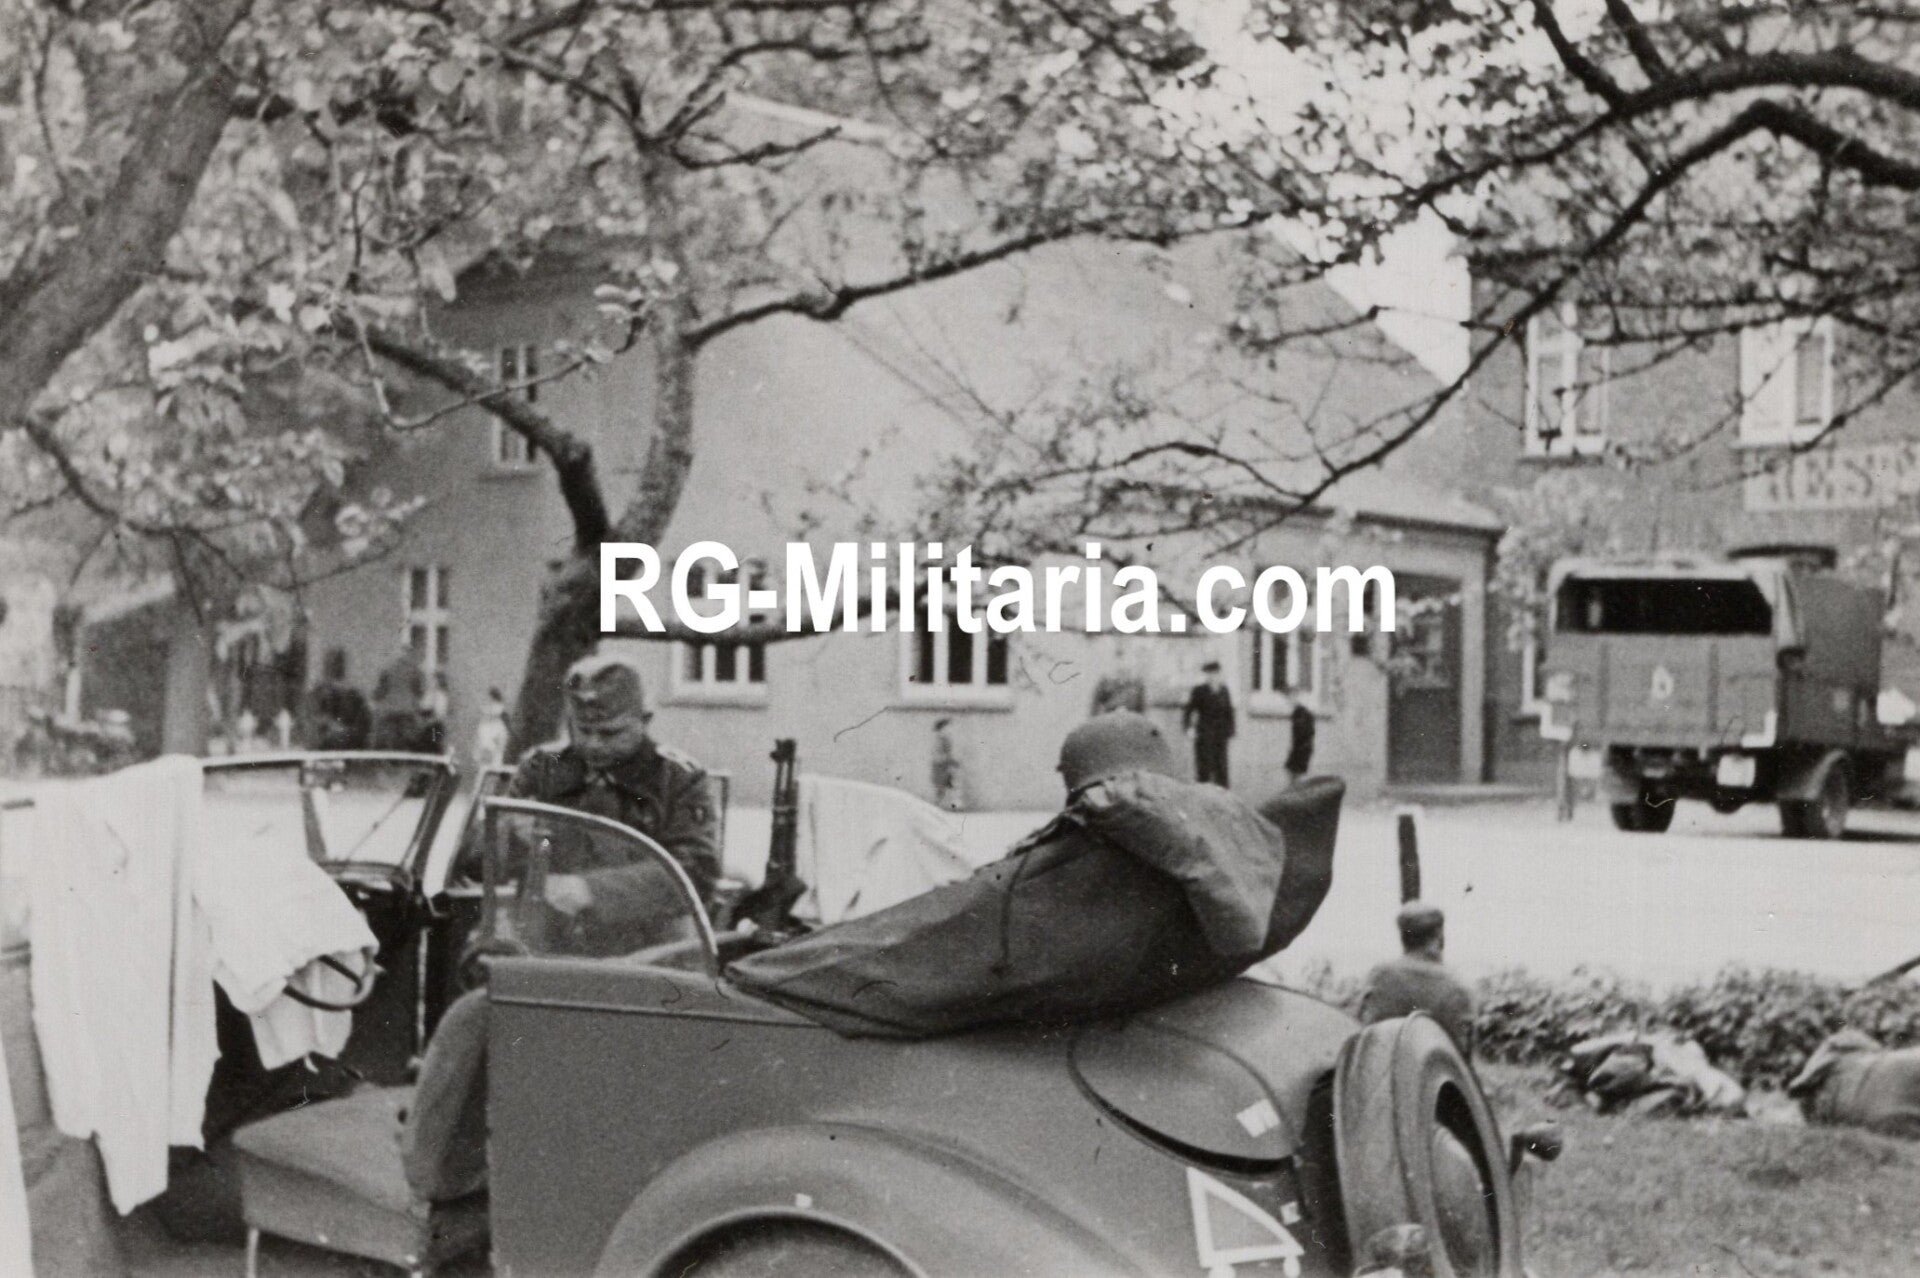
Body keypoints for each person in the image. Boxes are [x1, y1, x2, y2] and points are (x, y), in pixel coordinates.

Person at [508, 652, 721, 933]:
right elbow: (482, 863)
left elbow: (697, 872)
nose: (594, 744)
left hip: (649, 946)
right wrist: (507, 833)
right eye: (583, 730)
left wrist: (593, 891)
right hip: (548, 935)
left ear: (644, 720)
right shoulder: (541, 769)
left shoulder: (678, 779)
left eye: (610, 733)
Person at [1358, 901, 1477, 1056]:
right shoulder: (1458, 986)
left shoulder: (1380, 975)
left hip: (1380, 1074)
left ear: (1403, 938)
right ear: (1439, 936)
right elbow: (1464, 1055)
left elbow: (1361, 1031)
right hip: (1436, 1077)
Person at [1182, 660, 1235, 787]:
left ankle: (1223, 797)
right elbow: (1188, 711)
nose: (1212, 677)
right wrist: (1189, 728)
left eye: (1215, 674)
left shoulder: (1224, 691)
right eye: (1209, 674)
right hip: (1204, 735)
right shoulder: (1199, 691)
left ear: (1220, 674)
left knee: (1221, 769)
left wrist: (1230, 730)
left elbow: (1229, 712)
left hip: (1220, 736)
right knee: (1204, 769)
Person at [305, 648, 371, 750]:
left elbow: (363, 727)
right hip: (325, 746)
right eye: (332, 663)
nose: (334, 667)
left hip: (344, 745)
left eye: (336, 663)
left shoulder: (355, 695)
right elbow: (312, 719)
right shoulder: (317, 693)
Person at [371, 644, 425, 750]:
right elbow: (419, 692)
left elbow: (380, 692)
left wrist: (375, 700)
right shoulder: (415, 670)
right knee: (408, 744)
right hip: (407, 712)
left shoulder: (387, 668)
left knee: (386, 745)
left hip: (389, 712)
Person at [472, 688, 511, 769]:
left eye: (492, 703)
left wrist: (490, 753)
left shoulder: (501, 728)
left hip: (492, 765)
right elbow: (478, 743)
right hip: (480, 762)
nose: (488, 707)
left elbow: (501, 748)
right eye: (487, 704)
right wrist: (478, 755)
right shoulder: (483, 725)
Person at [930, 717, 964, 811]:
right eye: (946, 727)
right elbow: (938, 755)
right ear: (942, 728)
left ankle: (953, 806)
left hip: (945, 766)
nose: (949, 729)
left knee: (952, 786)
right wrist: (950, 760)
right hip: (941, 767)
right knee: (941, 788)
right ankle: (937, 807)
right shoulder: (938, 739)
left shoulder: (945, 739)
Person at [1285, 695, 1316, 785]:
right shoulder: (1300, 714)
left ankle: (1296, 790)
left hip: (1302, 748)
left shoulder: (1301, 714)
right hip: (1301, 748)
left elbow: (1302, 733)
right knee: (1293, 773)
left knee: (1295, 773)